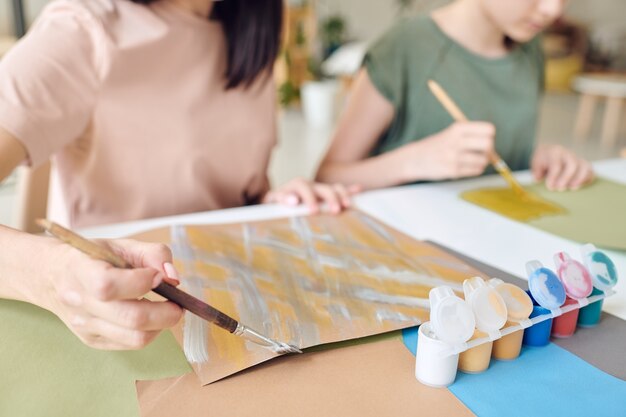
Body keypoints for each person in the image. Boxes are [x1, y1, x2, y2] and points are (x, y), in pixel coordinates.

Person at [0, 0, 355, 350]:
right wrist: (51, 274)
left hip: (239, 302)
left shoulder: (252, 30)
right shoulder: (82, 30)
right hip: (118, 332)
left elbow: (221, 188)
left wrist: (271, 204)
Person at [316, 0, 594, 192]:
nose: (552, 9)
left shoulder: (530, 51)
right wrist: (415, 161)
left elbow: (503, 162)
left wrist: (540, 157)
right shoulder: (404, 48)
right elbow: (327, 178)